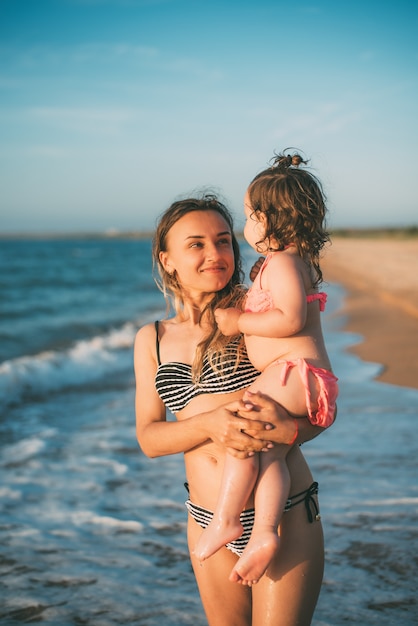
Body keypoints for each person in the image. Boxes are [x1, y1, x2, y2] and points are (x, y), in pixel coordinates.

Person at [134, 193, 329, 626]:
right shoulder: (152, 338)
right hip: (206, 520)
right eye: (196, 244)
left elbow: (315, 395)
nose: (214, 254)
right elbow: (149, 437)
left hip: (282, 515)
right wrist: (211, 424)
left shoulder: (258, 312)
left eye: (223, 241)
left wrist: (290, 432)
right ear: (168, 260)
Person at [193, 151, 338, 586]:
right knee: (270, 451)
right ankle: (263, 532)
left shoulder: (285, 263)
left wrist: (239, 321)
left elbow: (290, 319)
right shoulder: (280, 265)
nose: (246, 225)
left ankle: (224, 518)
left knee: (243, 435)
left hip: (296, 372)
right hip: (303, 380)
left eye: (250, 215)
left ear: (275, 218)